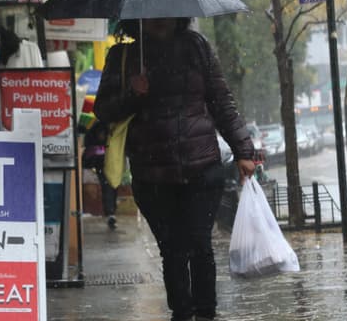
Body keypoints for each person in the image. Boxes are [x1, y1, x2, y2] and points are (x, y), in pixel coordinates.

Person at [93, 18, 255, 321]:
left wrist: (244, 150)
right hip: (152, 173)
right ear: (136, 20)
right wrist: (133, 93)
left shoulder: (197, 47)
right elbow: (103, 110)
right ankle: (181, 313)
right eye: (151, 15)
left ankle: (206, 313)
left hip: (202, 167)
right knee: (172, 250)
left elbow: (222, 102)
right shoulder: (123, 56)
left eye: (166, 12)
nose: (159, 19)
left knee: (199, 244)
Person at [82, 120, 119, 229]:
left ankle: (110, 212)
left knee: (108, 184)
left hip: (100, 159)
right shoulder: (108, 125)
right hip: (106, 159)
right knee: (110, 184)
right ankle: (110, 212)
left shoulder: (96, 126)